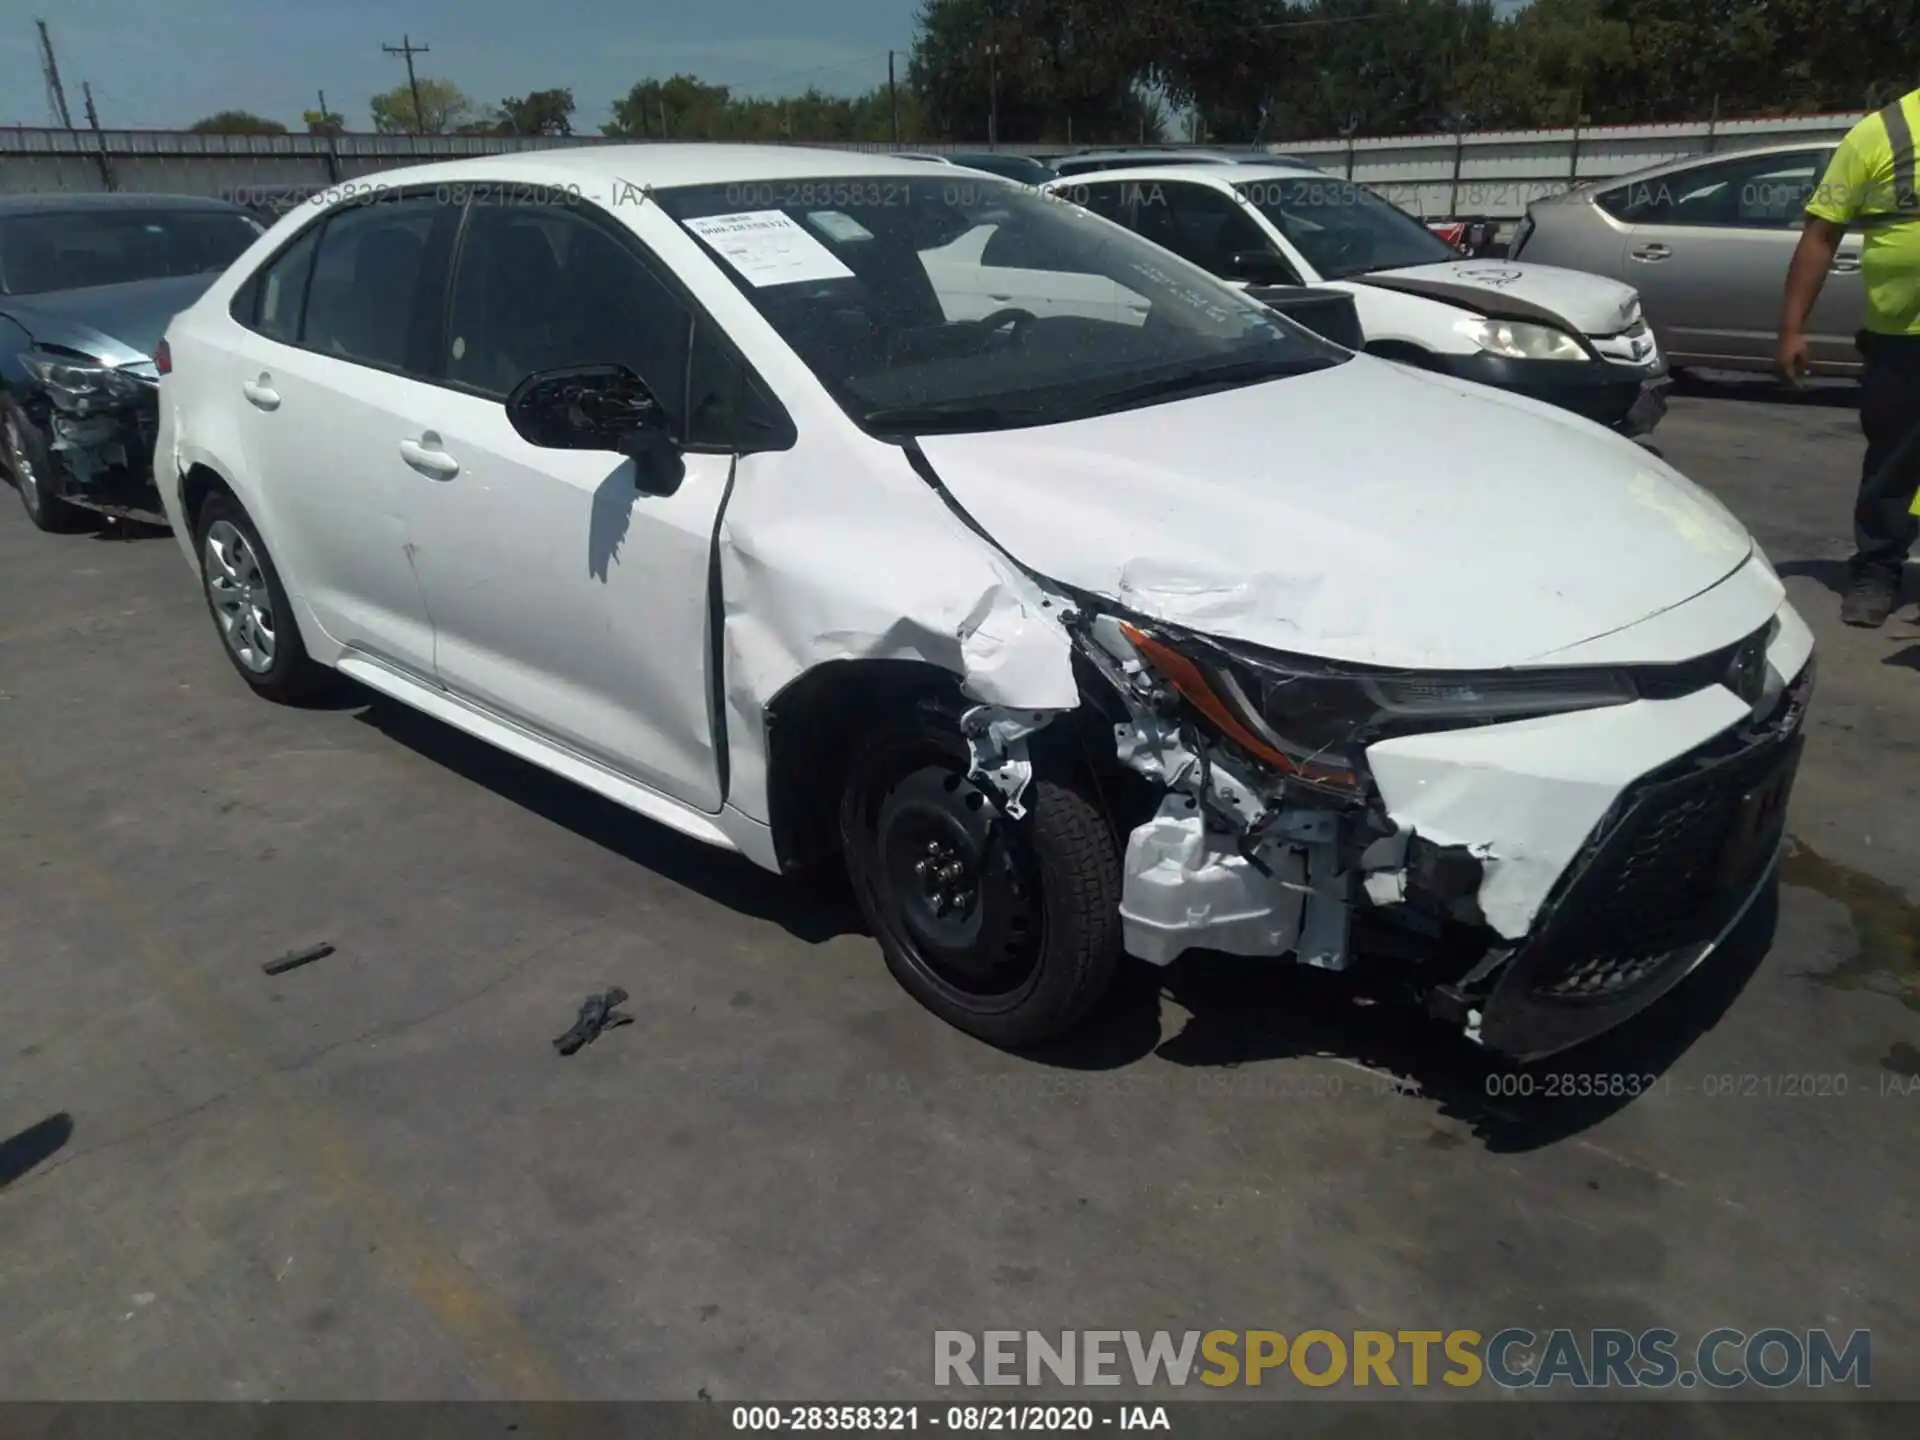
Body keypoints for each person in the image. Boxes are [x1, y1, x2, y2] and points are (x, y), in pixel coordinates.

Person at [1777, 88, 1920, 627]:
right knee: (1893, 462)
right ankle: (1878, 569)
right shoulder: (1880, 133)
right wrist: (1792, 328)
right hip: (1900, 337)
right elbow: (1822, 233)